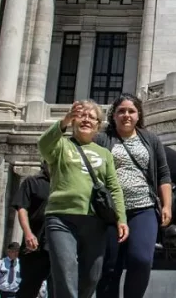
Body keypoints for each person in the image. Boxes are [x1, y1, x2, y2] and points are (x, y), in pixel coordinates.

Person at [39, 101, 127, 298]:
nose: (86, 119)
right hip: (61, 217)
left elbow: (114, 187)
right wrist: (64, 120)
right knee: (66, 269)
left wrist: (121, 218)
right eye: (82, 116)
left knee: (92, 276)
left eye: (92, 117)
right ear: (73, 121)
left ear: (98, 125)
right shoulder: (61, 145)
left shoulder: (104, 154)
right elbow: (43, 145)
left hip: (95, 221)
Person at [95, 93, 172, 298]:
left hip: (143, 208)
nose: (126, 115)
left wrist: (167, 206)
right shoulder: (102, 139)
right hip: (110, 212)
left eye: (131, 111)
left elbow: (164, 174)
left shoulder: (151, 140)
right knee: (110, 267)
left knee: (141, 260)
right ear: (113, 115)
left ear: (139, 115)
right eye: (121, 111)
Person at [12, 162, 52, 298]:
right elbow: (21, 207)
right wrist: (28, 233)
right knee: (29, 286)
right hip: (35, 243)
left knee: (57, 287)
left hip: (57, 244)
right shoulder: (32, 182)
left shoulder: (65, 184)